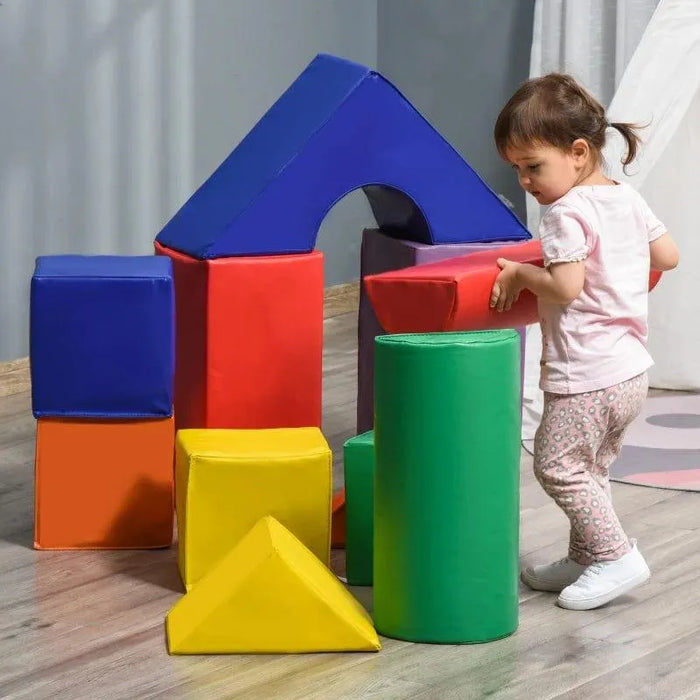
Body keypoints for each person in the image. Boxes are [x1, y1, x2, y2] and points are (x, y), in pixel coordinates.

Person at [490, 73, 679, 611]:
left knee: (557, 465)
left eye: (533, 166)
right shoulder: (625, 197)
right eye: (518, 169)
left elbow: (566, 287)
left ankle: (616, 554)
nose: (526, 180)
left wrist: (523, 274)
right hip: (630, 370)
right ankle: (588, 553)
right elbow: (668, 257)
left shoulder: (565, 212)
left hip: (587, 375)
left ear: (577, 152)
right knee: (591, 468)